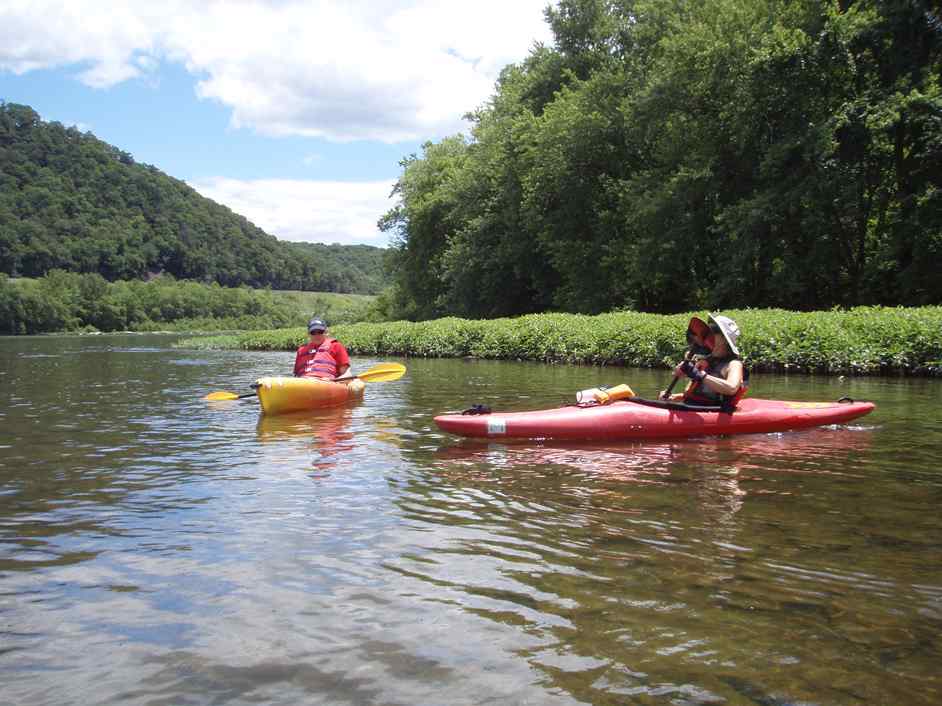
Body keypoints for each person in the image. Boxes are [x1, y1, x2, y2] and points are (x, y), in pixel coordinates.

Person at [661, 313, 746, 409]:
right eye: (708, 330)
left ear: (725, 339)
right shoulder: (704, 361)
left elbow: (731, 388)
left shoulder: (733, 364)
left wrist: (700, 375)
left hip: (715, 413)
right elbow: (699, 396)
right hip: (692, 409)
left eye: (714, 330)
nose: (709, 334)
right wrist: (674, 397)